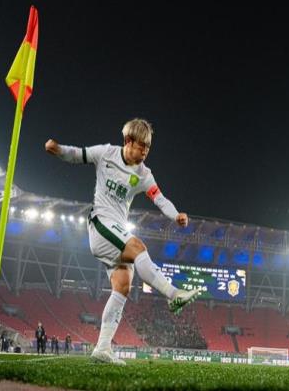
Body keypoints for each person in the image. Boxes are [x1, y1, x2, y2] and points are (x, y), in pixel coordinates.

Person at [45, 118, 201, 365]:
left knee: (123, 285)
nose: (145, 152)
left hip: (116, 231)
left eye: (148, 148)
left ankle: (103, 348)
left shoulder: (144, 174)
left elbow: (160, 199)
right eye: (141, 146)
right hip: (100, 224)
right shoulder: (105, 153)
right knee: (138, 247)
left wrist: (176, 215)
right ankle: (173, 294)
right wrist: (57, 149)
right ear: (128, 141)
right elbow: (77, 155)